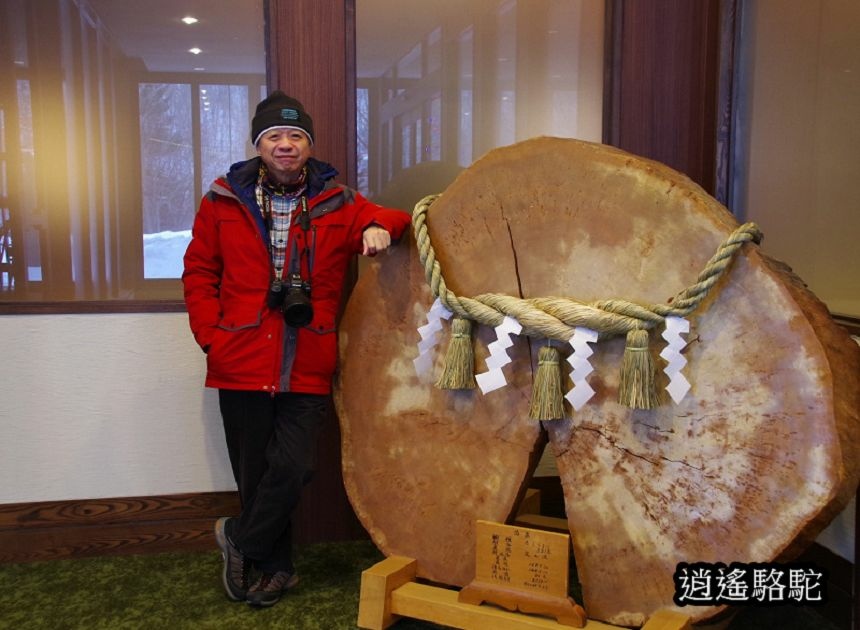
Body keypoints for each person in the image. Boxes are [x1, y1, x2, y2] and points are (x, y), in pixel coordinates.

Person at [182, 91, 410, 607]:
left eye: (296, 137)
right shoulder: (223, 199)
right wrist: (210, 336)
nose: (285, 146)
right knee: (255, 474)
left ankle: (239, 540)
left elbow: (395, 217)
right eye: (274, 137)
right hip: (239, 357)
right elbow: (199, 271)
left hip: (308, 356)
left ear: (308, 144)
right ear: (259, 145)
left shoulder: (338, 200)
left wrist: (377, 227)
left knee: (294, 465)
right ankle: (275, 570)